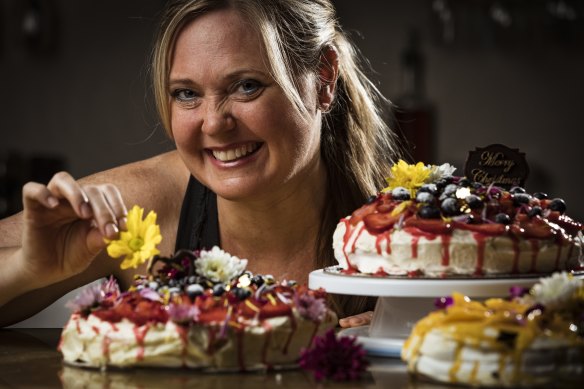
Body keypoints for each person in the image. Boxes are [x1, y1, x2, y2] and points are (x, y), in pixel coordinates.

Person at [0, 0, 401, 328]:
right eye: (187, 93)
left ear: (324, 77)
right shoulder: (141, 207)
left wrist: (424, 330)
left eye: (247, 86)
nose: (214, 124)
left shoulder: (415, 228)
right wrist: (25, 268)